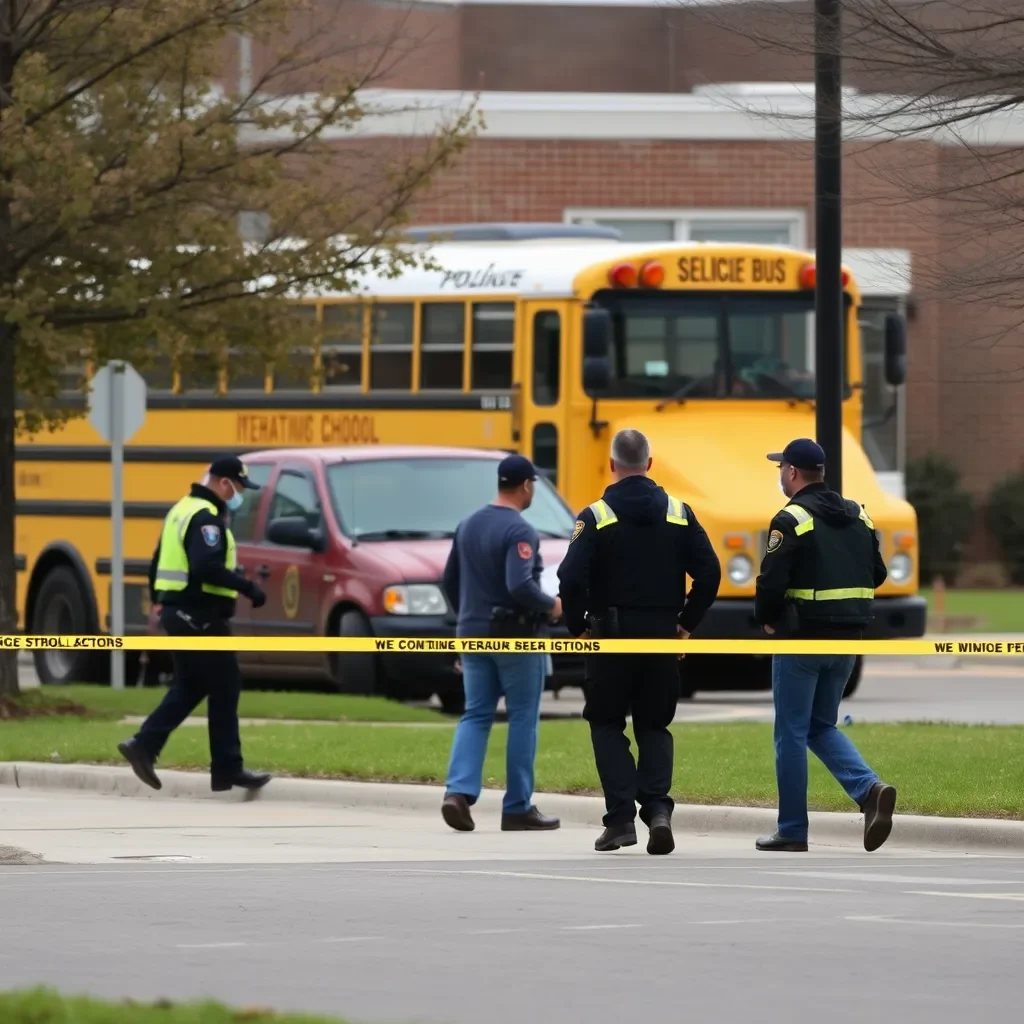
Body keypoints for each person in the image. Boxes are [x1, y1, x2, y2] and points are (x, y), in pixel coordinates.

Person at [557, 429, 721, 855]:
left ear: (612, 465)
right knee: (654, 725)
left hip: (610, 641)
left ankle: (621, 821)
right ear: (650, 464)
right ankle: (659, 812)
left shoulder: (595, 516)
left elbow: (570, 578)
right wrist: (686, 624)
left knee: (606, 723)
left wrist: (578, 628)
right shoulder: (681, 513)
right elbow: (710, 574)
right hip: (663, 639)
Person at [754, 438, 896, 853]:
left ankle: (793, 830)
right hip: (848, 641)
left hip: (801, 642)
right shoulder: (860, 515)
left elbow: (771, 583)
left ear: (793, 472)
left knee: (791, 734)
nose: (781, 473)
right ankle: (870, 792)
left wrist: (767, 618)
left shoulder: (790, 518)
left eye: (782, 467)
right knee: (820, 726)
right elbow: (879, 573)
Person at [117, 456, 271, 793]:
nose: (239, 494)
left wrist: (160, 601)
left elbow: (157, 560)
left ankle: (145, 745)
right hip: (199, 613)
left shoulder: (180, 509)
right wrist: (249, 588)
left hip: (180, 611)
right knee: (226, 682)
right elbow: (206, 567)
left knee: (192, 685)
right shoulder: (206, 518)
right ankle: (228, 768)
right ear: (224, 482)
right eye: (239, 487)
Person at [439, 454, 563, 833]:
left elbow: (448, 581)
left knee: (476, 713)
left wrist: (467, 620)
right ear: (526, 485)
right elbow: (519, 585)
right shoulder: (519, 530)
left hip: (472, 633)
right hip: (516, 639)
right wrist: (553, 606)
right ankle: (517, 807)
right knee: (523, 717)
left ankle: (457, 793)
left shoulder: (468, 524)